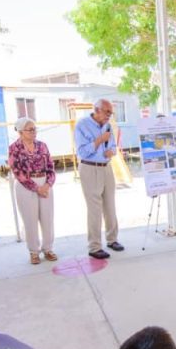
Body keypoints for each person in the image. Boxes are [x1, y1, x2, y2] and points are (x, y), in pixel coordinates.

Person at [74, 99, 124, 259]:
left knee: (110, 205)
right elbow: (82, 152)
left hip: (106, 167)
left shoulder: (108, 125)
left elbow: (113, 146)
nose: (109, 116)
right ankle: (94, 247)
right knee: (94, 209)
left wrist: (112, 151)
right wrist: (100, 140)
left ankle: (112, 239)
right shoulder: (82, 125)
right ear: (96, 110)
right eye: (107, 112)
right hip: (90, 168)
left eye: (111, 113)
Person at [8, 117, 57, 264]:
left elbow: (51, 167)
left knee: (47, 218)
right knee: (30, 219)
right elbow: (17, 171)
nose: (34, 132)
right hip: (25, 186)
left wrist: (47, 185)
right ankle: (34, 252)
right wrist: (36, 188)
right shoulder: (14, 148)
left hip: (44, 183)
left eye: (35, 129)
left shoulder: (42, 146)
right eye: (30, 130)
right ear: (20, 132)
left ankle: (48, 249)